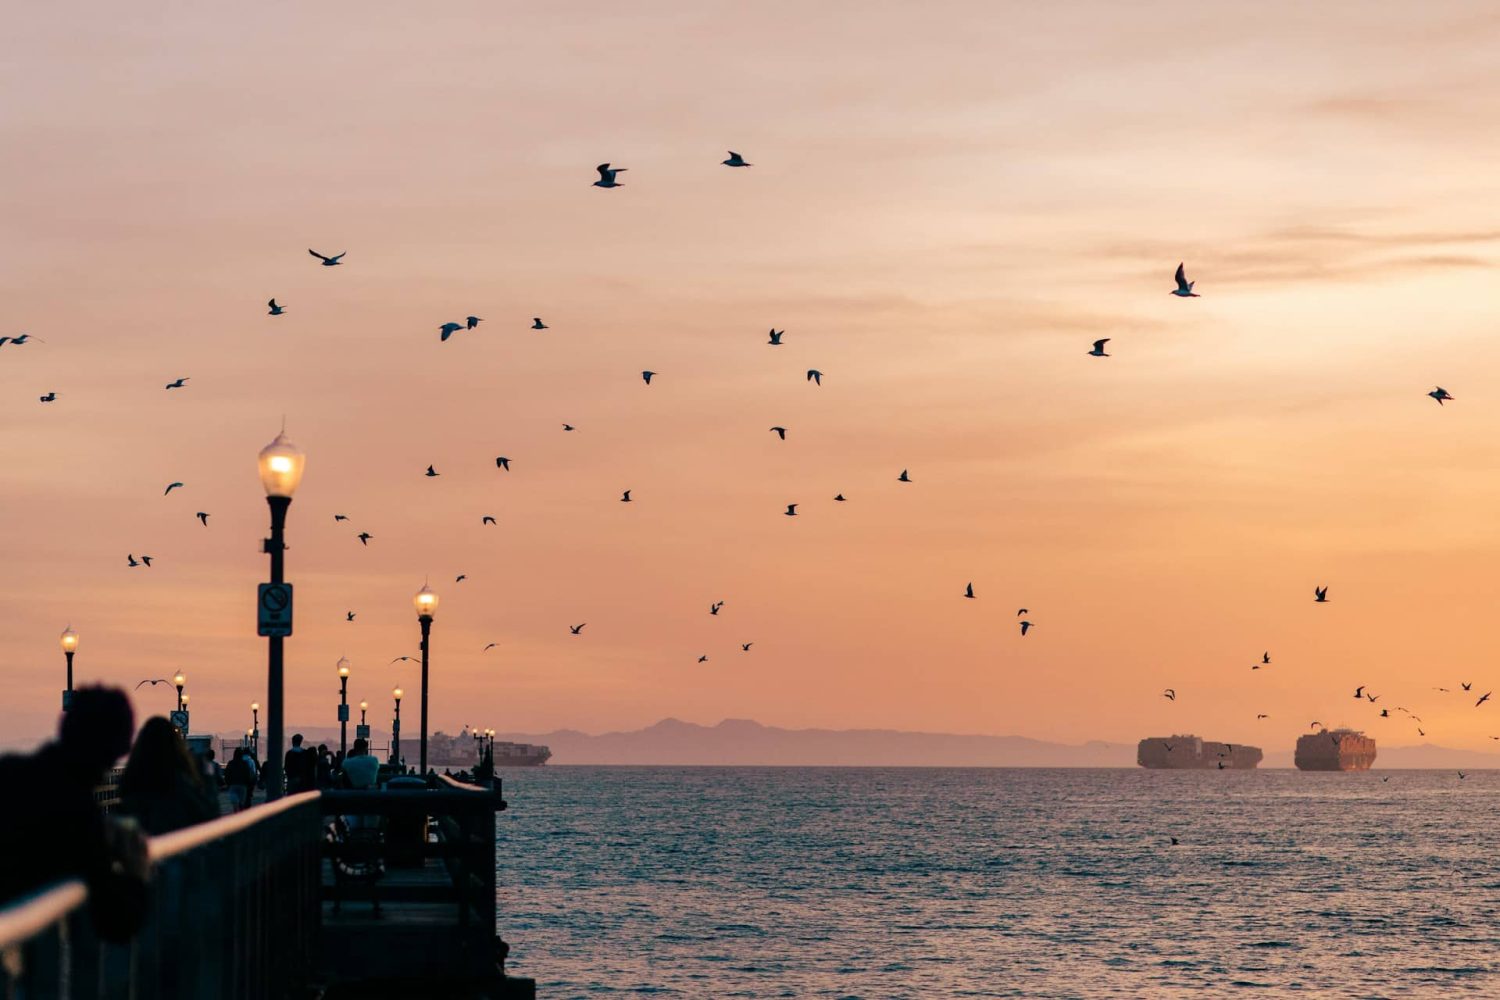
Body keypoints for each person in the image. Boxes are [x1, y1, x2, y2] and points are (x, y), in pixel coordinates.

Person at [0, 686, 149, 941]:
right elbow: (115, 921)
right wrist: (137, 873)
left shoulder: (9, 773)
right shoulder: (78, 815)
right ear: (114, 750)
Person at [118, 717, 220, 835]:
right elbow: (208, 814)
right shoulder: (178, 783)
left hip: (141, 847)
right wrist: (208, 777)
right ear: (176, 746)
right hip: (174, 846)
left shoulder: (132, 781)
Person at [224, 747, 256, 812]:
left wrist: (228, 783)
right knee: (242, 802)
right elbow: (248, 774)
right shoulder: (245, 763)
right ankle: (241, 813)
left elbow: (227, 774)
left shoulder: (231, 763)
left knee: (234, 802)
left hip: (233, 785)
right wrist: (249, 784)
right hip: (243, 785)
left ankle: (236, 812)